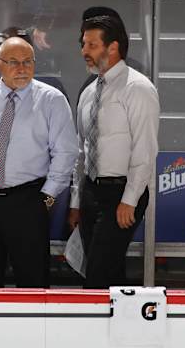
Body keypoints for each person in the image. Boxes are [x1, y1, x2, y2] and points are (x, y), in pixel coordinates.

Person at [0, 37, 78, 288]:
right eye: (13, 62)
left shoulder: (52, 100)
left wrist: (47, 198)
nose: (22, 68)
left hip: (29, 200)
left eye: (28, 62)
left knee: (33, 283)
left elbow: (66, 152)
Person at [68, 15, 160, 289]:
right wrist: (76, 202)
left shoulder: (139, 88)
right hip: (91, 191)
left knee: (98, 275)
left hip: (122, 192)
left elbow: (145, 149)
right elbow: (82, 150)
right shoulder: (88, 92)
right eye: (84, 44)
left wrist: (129, 199)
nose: (84, 51)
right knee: (107, 273)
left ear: (113, 47)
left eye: (92, 44)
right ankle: (125, 330)